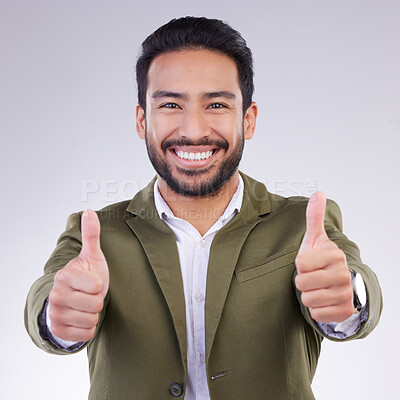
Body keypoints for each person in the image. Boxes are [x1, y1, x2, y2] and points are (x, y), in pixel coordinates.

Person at [25, 16, 382, 400]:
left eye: (215, 104)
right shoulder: (96, 232)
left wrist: (348, 299)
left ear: (248, 119)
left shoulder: (301, 225)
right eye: (171, 104)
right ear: (142, 120)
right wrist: (57, 318)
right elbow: (46, 298)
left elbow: (354, 288)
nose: (193, 129)